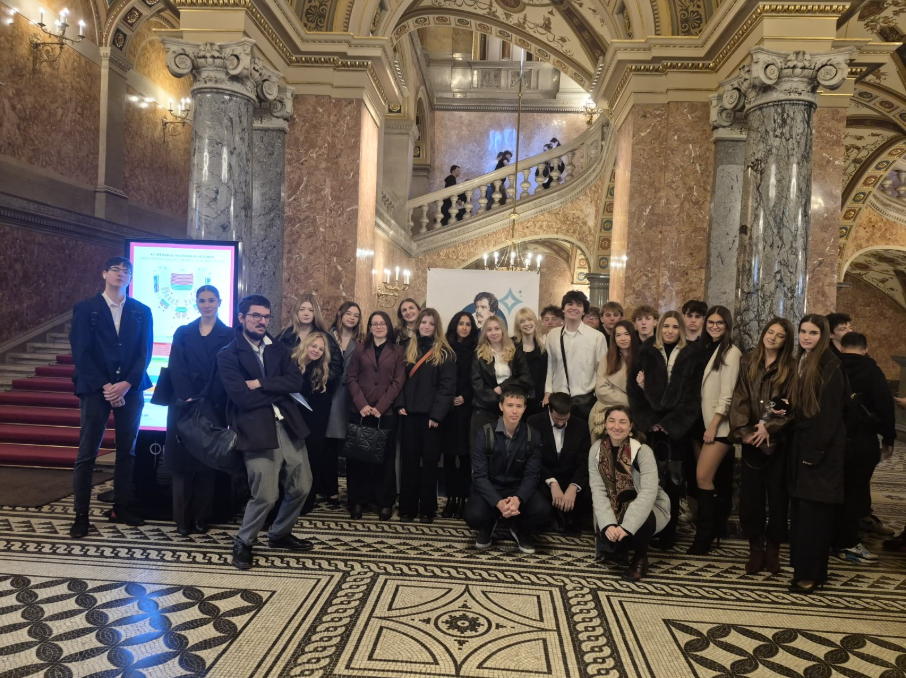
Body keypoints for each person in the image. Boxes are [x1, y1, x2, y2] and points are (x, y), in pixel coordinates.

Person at [210, 295, 313, 570]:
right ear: (241, 318)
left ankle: (279, 533)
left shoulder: (278, 348)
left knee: (302, 486)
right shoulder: (228, 354)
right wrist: (277, 389)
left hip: (288, 425)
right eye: (256, 316)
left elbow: (296, 382)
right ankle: (244, 541)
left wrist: (259, 383)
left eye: (266, 316)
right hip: (255, 428)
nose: (262, 321)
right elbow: (242, 398)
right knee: (265, 494)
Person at [69, 257, 153, 538]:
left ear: (131, 278)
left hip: (131, 388)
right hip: (95, 388)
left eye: (126, 271)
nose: (121, 274)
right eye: (116, 269)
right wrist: (107, 386)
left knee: (127, 450)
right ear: (104, 273)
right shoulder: (86, 308)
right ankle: (81, 515)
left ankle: (121, 507)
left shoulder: (141, 311)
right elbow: (81, 351)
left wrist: (125, 384)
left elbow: (144, 352)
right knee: (87, 452)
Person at [627, 311, 703, 549]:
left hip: (676, 429)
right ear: (659, 328)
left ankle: (669, 534)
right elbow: (634, 391)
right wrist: (650, 421)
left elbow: (692, 396)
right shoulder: (647, 351)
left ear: (681, 330)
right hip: (651, 428)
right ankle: (649, 527)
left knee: (673, 481)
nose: (670, 331)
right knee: (649, 479)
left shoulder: (692, 354)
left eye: (675, 327)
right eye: (666, 326)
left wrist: (671, 424)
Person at [728, 317, 796, 575]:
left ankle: (773, 549)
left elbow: (790, 403)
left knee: (778, 497)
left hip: (779, 440)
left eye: (779, 335)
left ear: (786, 340)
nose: (773, 337)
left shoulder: (791, 366)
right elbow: (740, 398)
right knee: (751, 498)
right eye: (770, 332)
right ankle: (755, 548)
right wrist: (746, 432)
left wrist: (769, 427)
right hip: (751, 441)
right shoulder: (747, 361)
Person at [165, 285, 233, 536]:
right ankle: (182, 520)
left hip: (212, 405)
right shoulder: (182, 332)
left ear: (219, 302)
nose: (207, 305)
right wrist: (188, 397)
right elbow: (176, 367)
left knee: (207, 464)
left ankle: (202, 517)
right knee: (182, 465)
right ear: (196, 303)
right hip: (183, 405)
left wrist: (205, 397)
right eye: (202, 300)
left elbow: (225, 372)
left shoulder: (229, 334)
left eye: (211, 300)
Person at [787, 314, 847, 594]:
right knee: (802, 514)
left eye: (813, 332)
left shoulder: (830, 364)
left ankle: (813, 573)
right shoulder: (805, 360)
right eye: (803, 331)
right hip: (804, 442)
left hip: (822, 448)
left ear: (823, 336)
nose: (806, 337)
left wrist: (816, 450)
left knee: (815, 515)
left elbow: (830, 414)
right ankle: (804, 569)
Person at [588, 406, 671, 581]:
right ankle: (619, 546)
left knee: (639, 520)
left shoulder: (642, 451)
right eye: (612, 421)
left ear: (631, 426)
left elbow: (648, 493)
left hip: (649, 506)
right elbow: (598, 490)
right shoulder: (596, 450)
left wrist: (627, 526)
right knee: (610, 531)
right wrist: (608, 524)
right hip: (614, 505)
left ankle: (641, 557)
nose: (616, 426)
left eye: (622, 422)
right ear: (605, 424)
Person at [834, 331, 896, 564]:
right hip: (863, 442)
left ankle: (832, 538)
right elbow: (885, 406)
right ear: (865, 350)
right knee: (856, 493)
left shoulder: (831, 368)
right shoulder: (872, 371)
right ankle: (848, 542)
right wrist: (888, 439)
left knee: (835, 491)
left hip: (834, 441)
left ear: (841, 348)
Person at [276, 293, 343, 510]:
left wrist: (316, 379)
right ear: (296, 312)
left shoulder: (326, 338)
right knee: (288, 450)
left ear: (316, 314)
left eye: (311, 310)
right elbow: (275, 366)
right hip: (289, 401)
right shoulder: (284, 337)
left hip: (316, 401)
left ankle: (307, 499)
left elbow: (337, 368)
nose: (306, 313)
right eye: (302, 309)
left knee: (313, 451)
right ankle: (285, 496)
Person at [464, 387, 551, 554]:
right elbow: (479, 476)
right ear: (501, 406)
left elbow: (532, 475)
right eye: (510, 405)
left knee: (543, 511)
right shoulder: (484, 433)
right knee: (474, 515)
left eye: (519, 406)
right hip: (491, 488)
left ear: (524, 408)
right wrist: (498, 502)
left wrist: (518, 499)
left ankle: (519, 527)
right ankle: (489, 525)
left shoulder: (533, 435)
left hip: (517, 489)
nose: (514, 411)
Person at [688, 305, 741, 554]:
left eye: (720, 323)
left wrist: (713, 426)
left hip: (717, 426)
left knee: (703, 477)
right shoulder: (703, 348)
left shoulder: (731, 352)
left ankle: (705, 536)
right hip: (698, 422)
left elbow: (727, 395)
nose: (714, 326)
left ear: (727, 325)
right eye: (711, 322)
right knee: (703, 479)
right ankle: (711, 528)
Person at [396, 308, 456, 523]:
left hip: (432, 418)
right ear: (418, 325)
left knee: (430, 464)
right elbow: (398, 380)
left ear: (436, 326)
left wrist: (437, 415)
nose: (427, 326)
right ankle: (407, 508)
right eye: (423, 322)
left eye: (431, 323)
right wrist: (399, 403)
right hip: (409, 415)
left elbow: (447, 387)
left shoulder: (445, 353)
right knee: (409, 462)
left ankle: (427, 509)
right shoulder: (406, 348)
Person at [346, 311, 405, 521]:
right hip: (360, 411)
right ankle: (357, 501)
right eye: (374, 324)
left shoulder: (398, 351)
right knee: (358, 458)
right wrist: (362, 404)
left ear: (388, 326)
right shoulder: (360, 348)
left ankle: (384, 502)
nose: (378, 327)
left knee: (385, 459)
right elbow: (351, 377)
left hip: (385, 412)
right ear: (369, 327)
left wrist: (381, 406)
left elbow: (398, 381)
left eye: (382, 323)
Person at [528, 392, 591, 532]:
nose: (561, 423)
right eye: (557, 419)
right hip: (543, 476)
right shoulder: (534, 422)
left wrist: (574, 486)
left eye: (565, 418)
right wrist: (552, 482)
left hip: (570, 477)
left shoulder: (581, 426)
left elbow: (584, 462)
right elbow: (533, 459)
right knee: (538, 507)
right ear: (549, 409)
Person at [543, 290, 607, 421]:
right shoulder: (553, 335)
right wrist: (548, 391)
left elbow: (602, 371)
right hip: (557, 399)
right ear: (563, 309)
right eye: (569, 304)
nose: (573, 308)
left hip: (584, 401)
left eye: (579, 305)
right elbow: (550, 366)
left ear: (584, 311)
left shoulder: (597, 337)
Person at [324, 302, 363, 506]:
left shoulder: (362, 340)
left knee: (353, 447)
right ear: (340, 313)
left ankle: (354, 493)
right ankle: (331, 491)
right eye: (349, 313)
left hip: (354, 398)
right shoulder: (326, 336)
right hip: (330, 396)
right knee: (329, 447)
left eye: (356, 315)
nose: (352, 317)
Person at [472, 316, 533, 445]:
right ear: (485, 333)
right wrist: (499, 401)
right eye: (489, 330)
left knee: (509, 450)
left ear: (503, 330)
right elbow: (478, 386)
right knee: (482, 448)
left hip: (511, 408)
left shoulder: (515, 351)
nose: (493, 333)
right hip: (485, 408)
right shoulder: (478, 354)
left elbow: (526, 378)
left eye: (497, 328)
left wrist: (502, 388)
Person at [441, 311, 478, 518]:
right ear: (455, 325)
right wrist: (448, 398)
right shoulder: (444, 348)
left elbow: (478, 378)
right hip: (447, 409)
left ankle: (463, 498)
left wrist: (465, 396)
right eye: (461, 323)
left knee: (464, 456)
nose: (464, 327)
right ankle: (450, 499)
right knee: (448, 455)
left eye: (468, 324)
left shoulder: (477, 349)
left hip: (466, 409)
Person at [589, 319, 638, 441]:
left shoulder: (642, 358)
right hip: (606, 407)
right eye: (618, 335)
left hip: (635, 411)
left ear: (632, 336)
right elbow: (601, 390)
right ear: (614, 339)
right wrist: (631, 401)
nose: (623, 338)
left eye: (626, 334)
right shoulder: (607, 359)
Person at [512, 307, 548, 418]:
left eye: (529, 319)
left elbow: (543, 378)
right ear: (518, 326)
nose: (527, 323)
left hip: (536, 403)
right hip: (515, 401)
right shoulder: (511, 346)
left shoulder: (542, 350)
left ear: (535, 322)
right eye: (522, 321)